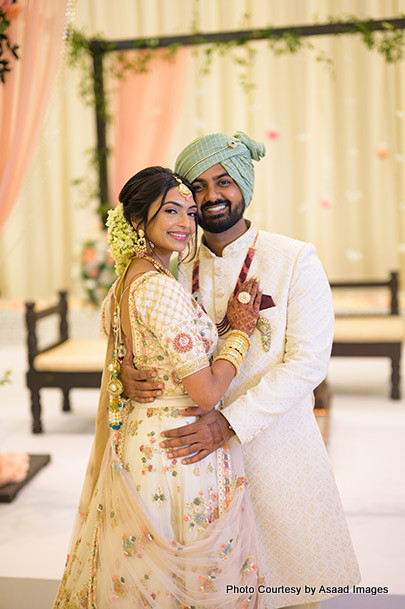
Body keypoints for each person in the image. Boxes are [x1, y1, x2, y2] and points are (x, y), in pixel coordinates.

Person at [121, 132, 361, 609]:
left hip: (274, 450)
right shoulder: (173, 265)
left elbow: (308, 362)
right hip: (194, 463)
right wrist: (126, 371)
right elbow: (141, 333)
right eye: (198, 187)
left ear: (245, 186)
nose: (212, 197)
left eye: (224, 182)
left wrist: (230, 421)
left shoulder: (293, 258)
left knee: (291, 588)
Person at [53, 166, 267, 609]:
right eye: (171, 211)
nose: (185, 224)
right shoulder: (160, 289)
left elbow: (130, 365)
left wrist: (220, 326)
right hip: (177, 453)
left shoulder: (125, 283)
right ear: (137, 221)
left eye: (190, 213)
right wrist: (241, 334)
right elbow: (206, 392)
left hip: (139, 445)